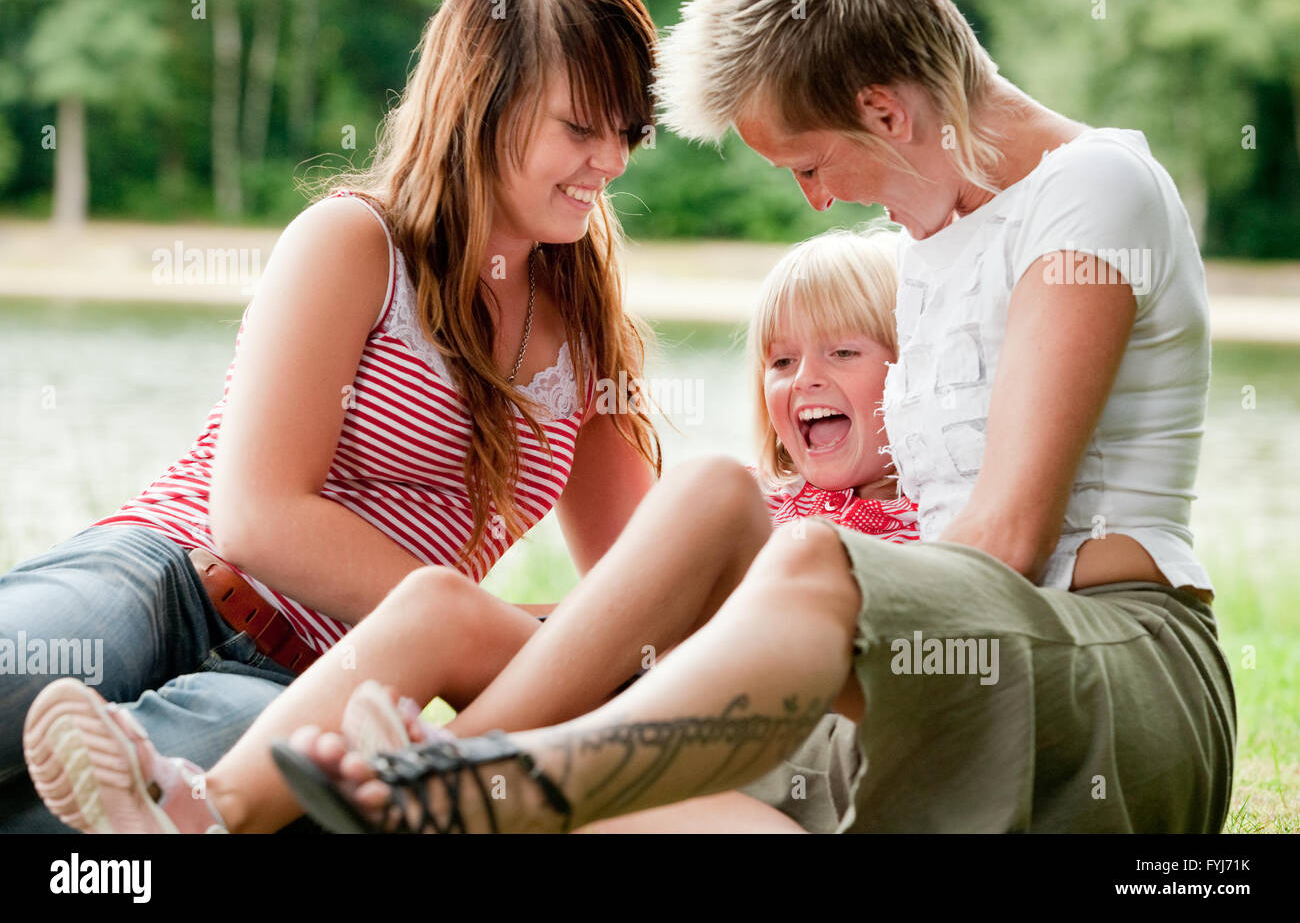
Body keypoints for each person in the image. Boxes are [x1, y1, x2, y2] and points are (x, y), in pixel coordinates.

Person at [273, 0, 1236, 835]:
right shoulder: (932, 246)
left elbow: (1007, 542)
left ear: (885, 113)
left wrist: (781, 611)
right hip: (947, 679)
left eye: (808, 166)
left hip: (1100, 669)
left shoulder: (1092, 190)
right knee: (709, 500)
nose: (817, 202)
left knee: (805, 561)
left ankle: (478, 780)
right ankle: (420, 787)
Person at [0, 0, 661, 832]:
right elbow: (258, 517)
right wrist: (462, 624)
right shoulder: (356, 242)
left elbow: (643, 595)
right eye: (581, 127)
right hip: (165, 574)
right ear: (484, 100)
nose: (612, 160)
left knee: (120, 823)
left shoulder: (587, 340)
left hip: (302, 683)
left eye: (629, 131)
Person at [24, 228, 920, 834]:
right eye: (780, 359)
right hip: (662, 705)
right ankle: (202, 807)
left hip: (773, 746)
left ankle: (428, 783)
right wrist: (560, 629)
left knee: (705, 492)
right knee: (436, 604)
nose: (805, 378)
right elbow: (635, 621)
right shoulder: (766, 501)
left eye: (843, 352)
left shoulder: (936, 508)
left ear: (919, 377)